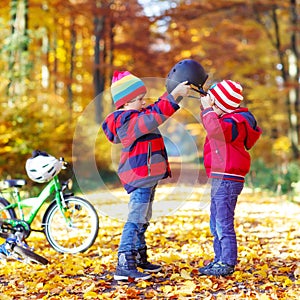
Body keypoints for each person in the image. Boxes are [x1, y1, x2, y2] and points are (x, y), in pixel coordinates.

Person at [102, 70, 190, 281]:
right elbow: (153, 116)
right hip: (139, 175)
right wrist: (172, 97)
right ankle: (124, 262)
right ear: (125, 103)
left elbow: (152, 110)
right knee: (135, 218)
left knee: (143, 218)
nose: (143, 102)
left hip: (146, 176)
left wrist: (173, 94)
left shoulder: (135, 114)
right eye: (139, 99)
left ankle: (139, 256)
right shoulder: (126, 121)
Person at [198, 80, 262, 277]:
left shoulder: (235, 123)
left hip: (228, 177)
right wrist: (209, 107)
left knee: (223, 221)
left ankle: (226, 262)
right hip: (220, 177)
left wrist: (208, 109)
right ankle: (219, 259)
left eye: (215, 105)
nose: (211, 109)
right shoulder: (226, 121)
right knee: (215, 221)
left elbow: (215, 129)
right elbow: (212, 125)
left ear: (225, 107)